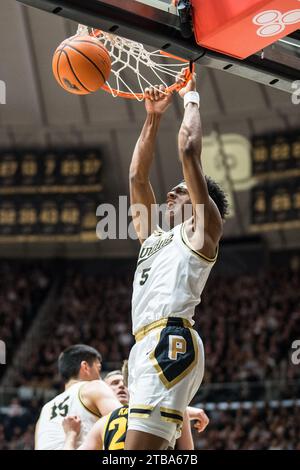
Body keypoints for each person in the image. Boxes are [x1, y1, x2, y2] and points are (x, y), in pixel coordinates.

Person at [125, 71, 228, 450]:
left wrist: (192, 97)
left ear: (202, 202)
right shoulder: (152, 237)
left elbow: (188, 151)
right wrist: (152, 117)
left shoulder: (202, 231)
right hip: (143, 346)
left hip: (171, 339)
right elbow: (138, 176)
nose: (170, 191)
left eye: (181, 191)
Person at [63, 362, 209, 450]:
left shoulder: (104, 423)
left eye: (122, 383)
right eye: (114, 384)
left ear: (129, 386)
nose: (120, 386)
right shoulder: (175, 408)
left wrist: (71, 435)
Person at [35, 344, 121, 450]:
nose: (100, 377)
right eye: (98, 369)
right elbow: (123, 422)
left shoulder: (44, 411)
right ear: (85, 367)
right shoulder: (94, 387)